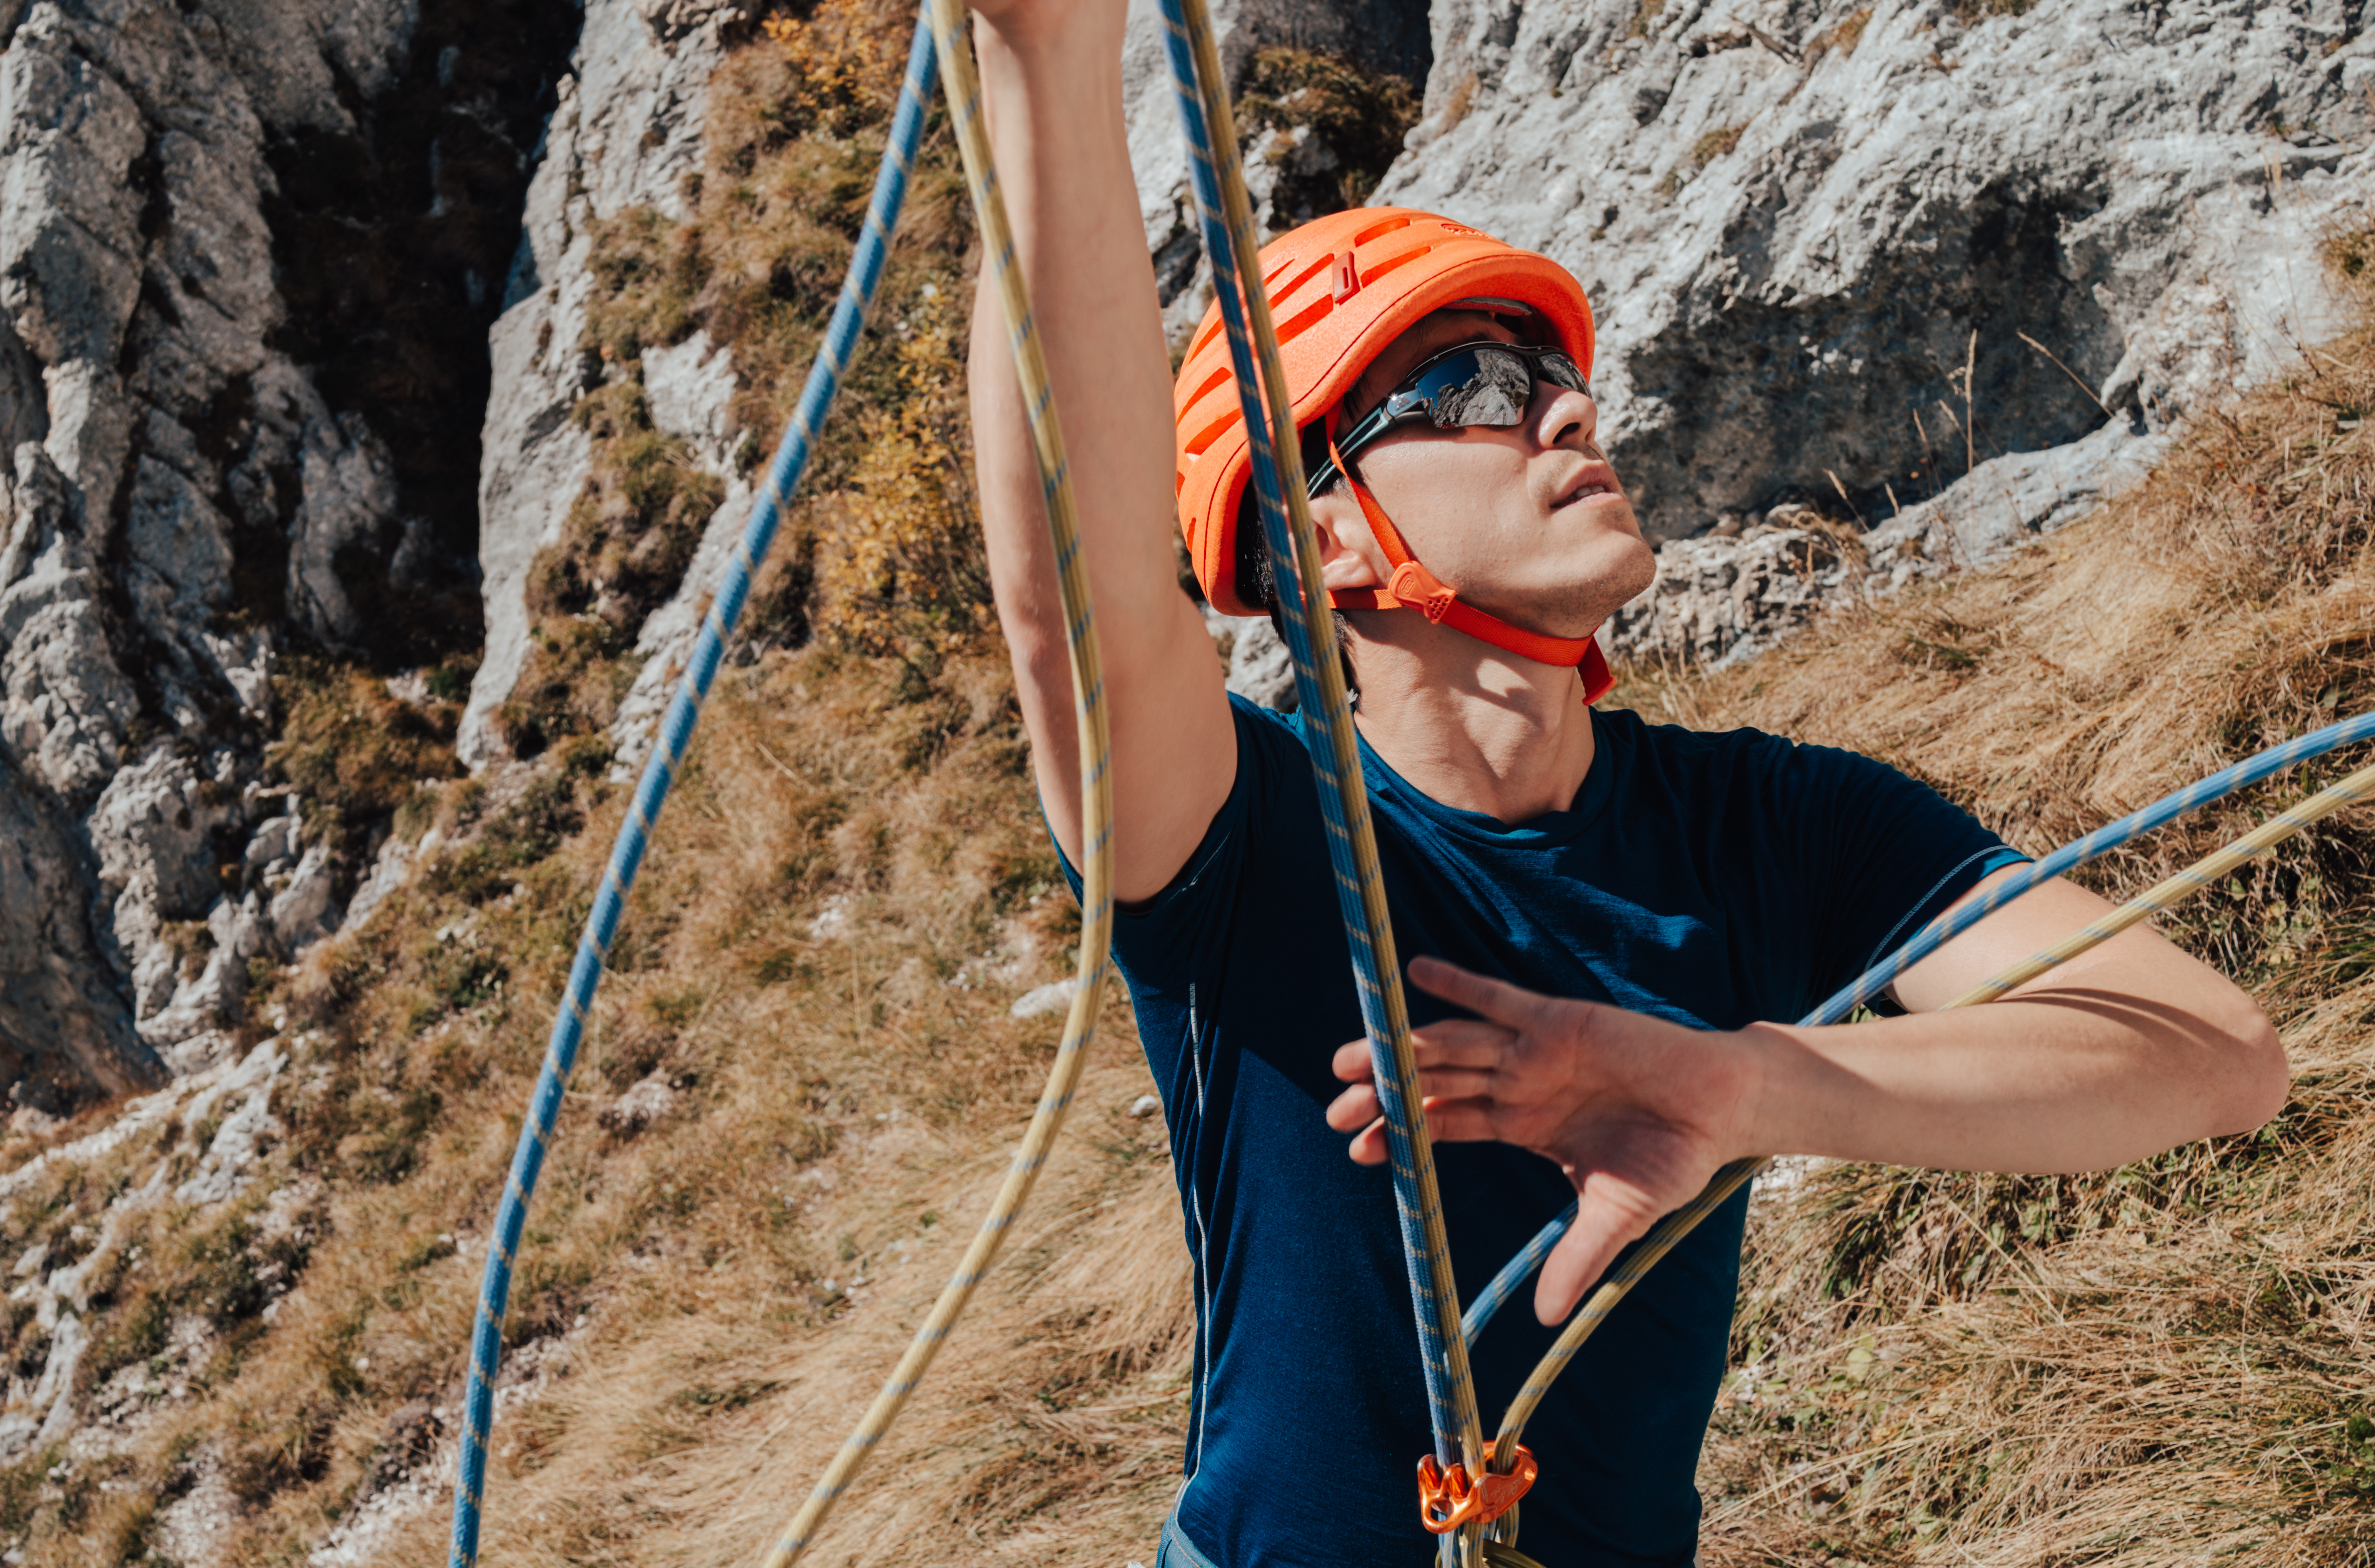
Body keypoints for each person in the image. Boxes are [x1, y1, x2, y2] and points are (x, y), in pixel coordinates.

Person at [958, 2, 2290, 1565]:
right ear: (1318, 541)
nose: (1568, 407)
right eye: (1460, 388)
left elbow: (2217, 1057)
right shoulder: (1243, 836)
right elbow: (1071, 606)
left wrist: (1745, 1086)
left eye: (1547, 371)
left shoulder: (1776, 827)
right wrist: (1044, 53)